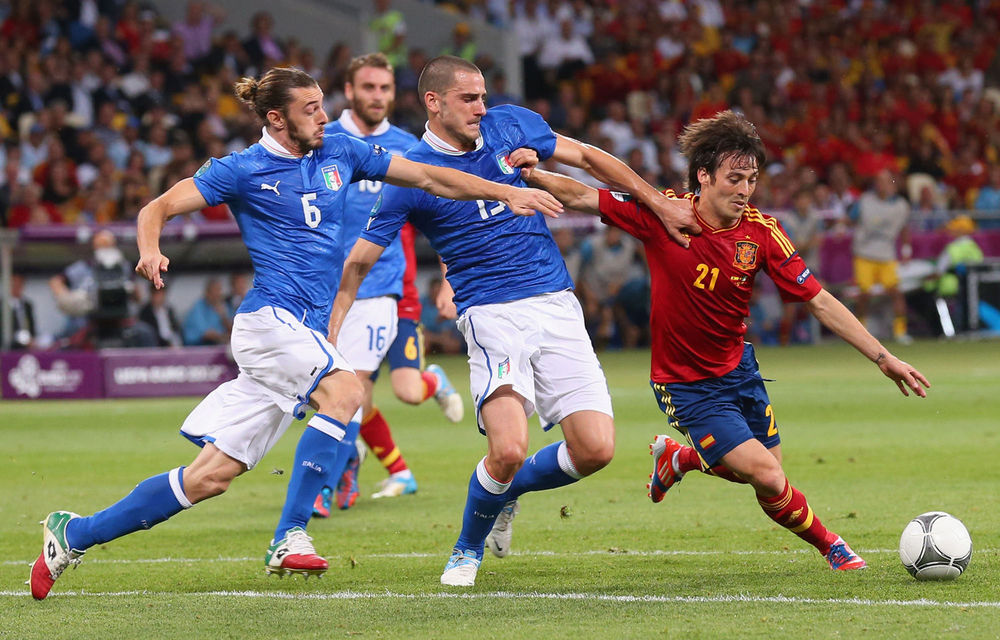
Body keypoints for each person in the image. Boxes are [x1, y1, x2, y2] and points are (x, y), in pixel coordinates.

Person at [28, 65, 562, 600]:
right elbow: (157, 207)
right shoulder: (241, 169)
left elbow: (427, 177)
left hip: (301, 332)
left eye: (323, 104)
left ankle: (73, 533)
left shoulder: (341, 153)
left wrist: (501, 191)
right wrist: (150, 248)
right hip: (268, 322)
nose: (325, 117)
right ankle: (290, 534)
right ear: (278, 118)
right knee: (349, 389)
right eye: (312, 109)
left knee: (209, 478)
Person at [328, 55, 697, 587]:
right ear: (433, 102)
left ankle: (508, 493)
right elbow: (360, 258)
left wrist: (658, 203)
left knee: (596, 449)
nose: (482, 107)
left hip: (556, 302)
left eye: (483, 95)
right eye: (469, 98)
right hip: (490, 312)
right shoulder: (409, 172)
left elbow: (589, 159)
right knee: (506, 449)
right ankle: (465, 548)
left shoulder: (510, 124)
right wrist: (334, 328)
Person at [518, 110, 930, 572]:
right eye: (735, 178)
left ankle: (680, 459)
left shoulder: (761, 233)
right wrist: (533, 175)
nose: (744, 190)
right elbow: (583, 195)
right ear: (704, 175)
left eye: (751, 179)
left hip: (739, 371)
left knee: (764, 477)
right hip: (686, 384)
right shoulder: (665, 213)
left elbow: (819, 300)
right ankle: (832, 545)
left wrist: (883, 357)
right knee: (769, 476)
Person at [306, 53, 465, 518]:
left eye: (385, 88)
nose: (378, 96)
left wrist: (448, 279)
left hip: (380, 289)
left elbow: (442, 213)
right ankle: (363, 460)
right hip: (322, 290)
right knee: (338, 393)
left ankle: (323, 484)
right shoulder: (322, 141)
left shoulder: (407, 146)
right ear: (350, 91)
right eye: (368, 87)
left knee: (350, 387)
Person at [849, 169, 913, 344]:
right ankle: (860, 333)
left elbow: (905, 228)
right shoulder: (864, 201)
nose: (881, 184)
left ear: (892, 182)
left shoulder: (901, 206)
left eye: (885, 181)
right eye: (878, 181)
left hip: (886, 255)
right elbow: (850, 219)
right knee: (864, 295)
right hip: (864, 254)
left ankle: (900, 332)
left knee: (896, 293)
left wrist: (906, 250)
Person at [181, 276, 232, 346]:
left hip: (218, 347)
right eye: (215, 290)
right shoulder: (198, 307)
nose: (218, 294)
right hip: (197, 348)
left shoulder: (223, 306)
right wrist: (224, 337)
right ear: (207, 292)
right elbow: (208, 334)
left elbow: (233, 331)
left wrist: (223, 317)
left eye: (219, 290)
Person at [138, 282, 182, 347]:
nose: (159, 297)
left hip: (172, 340)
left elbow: (175, 327)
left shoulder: (169, 309)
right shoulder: (145, 311)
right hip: (156, 343)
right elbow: (149, 333)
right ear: (152, 294)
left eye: (162, 294)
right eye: (157, 294)